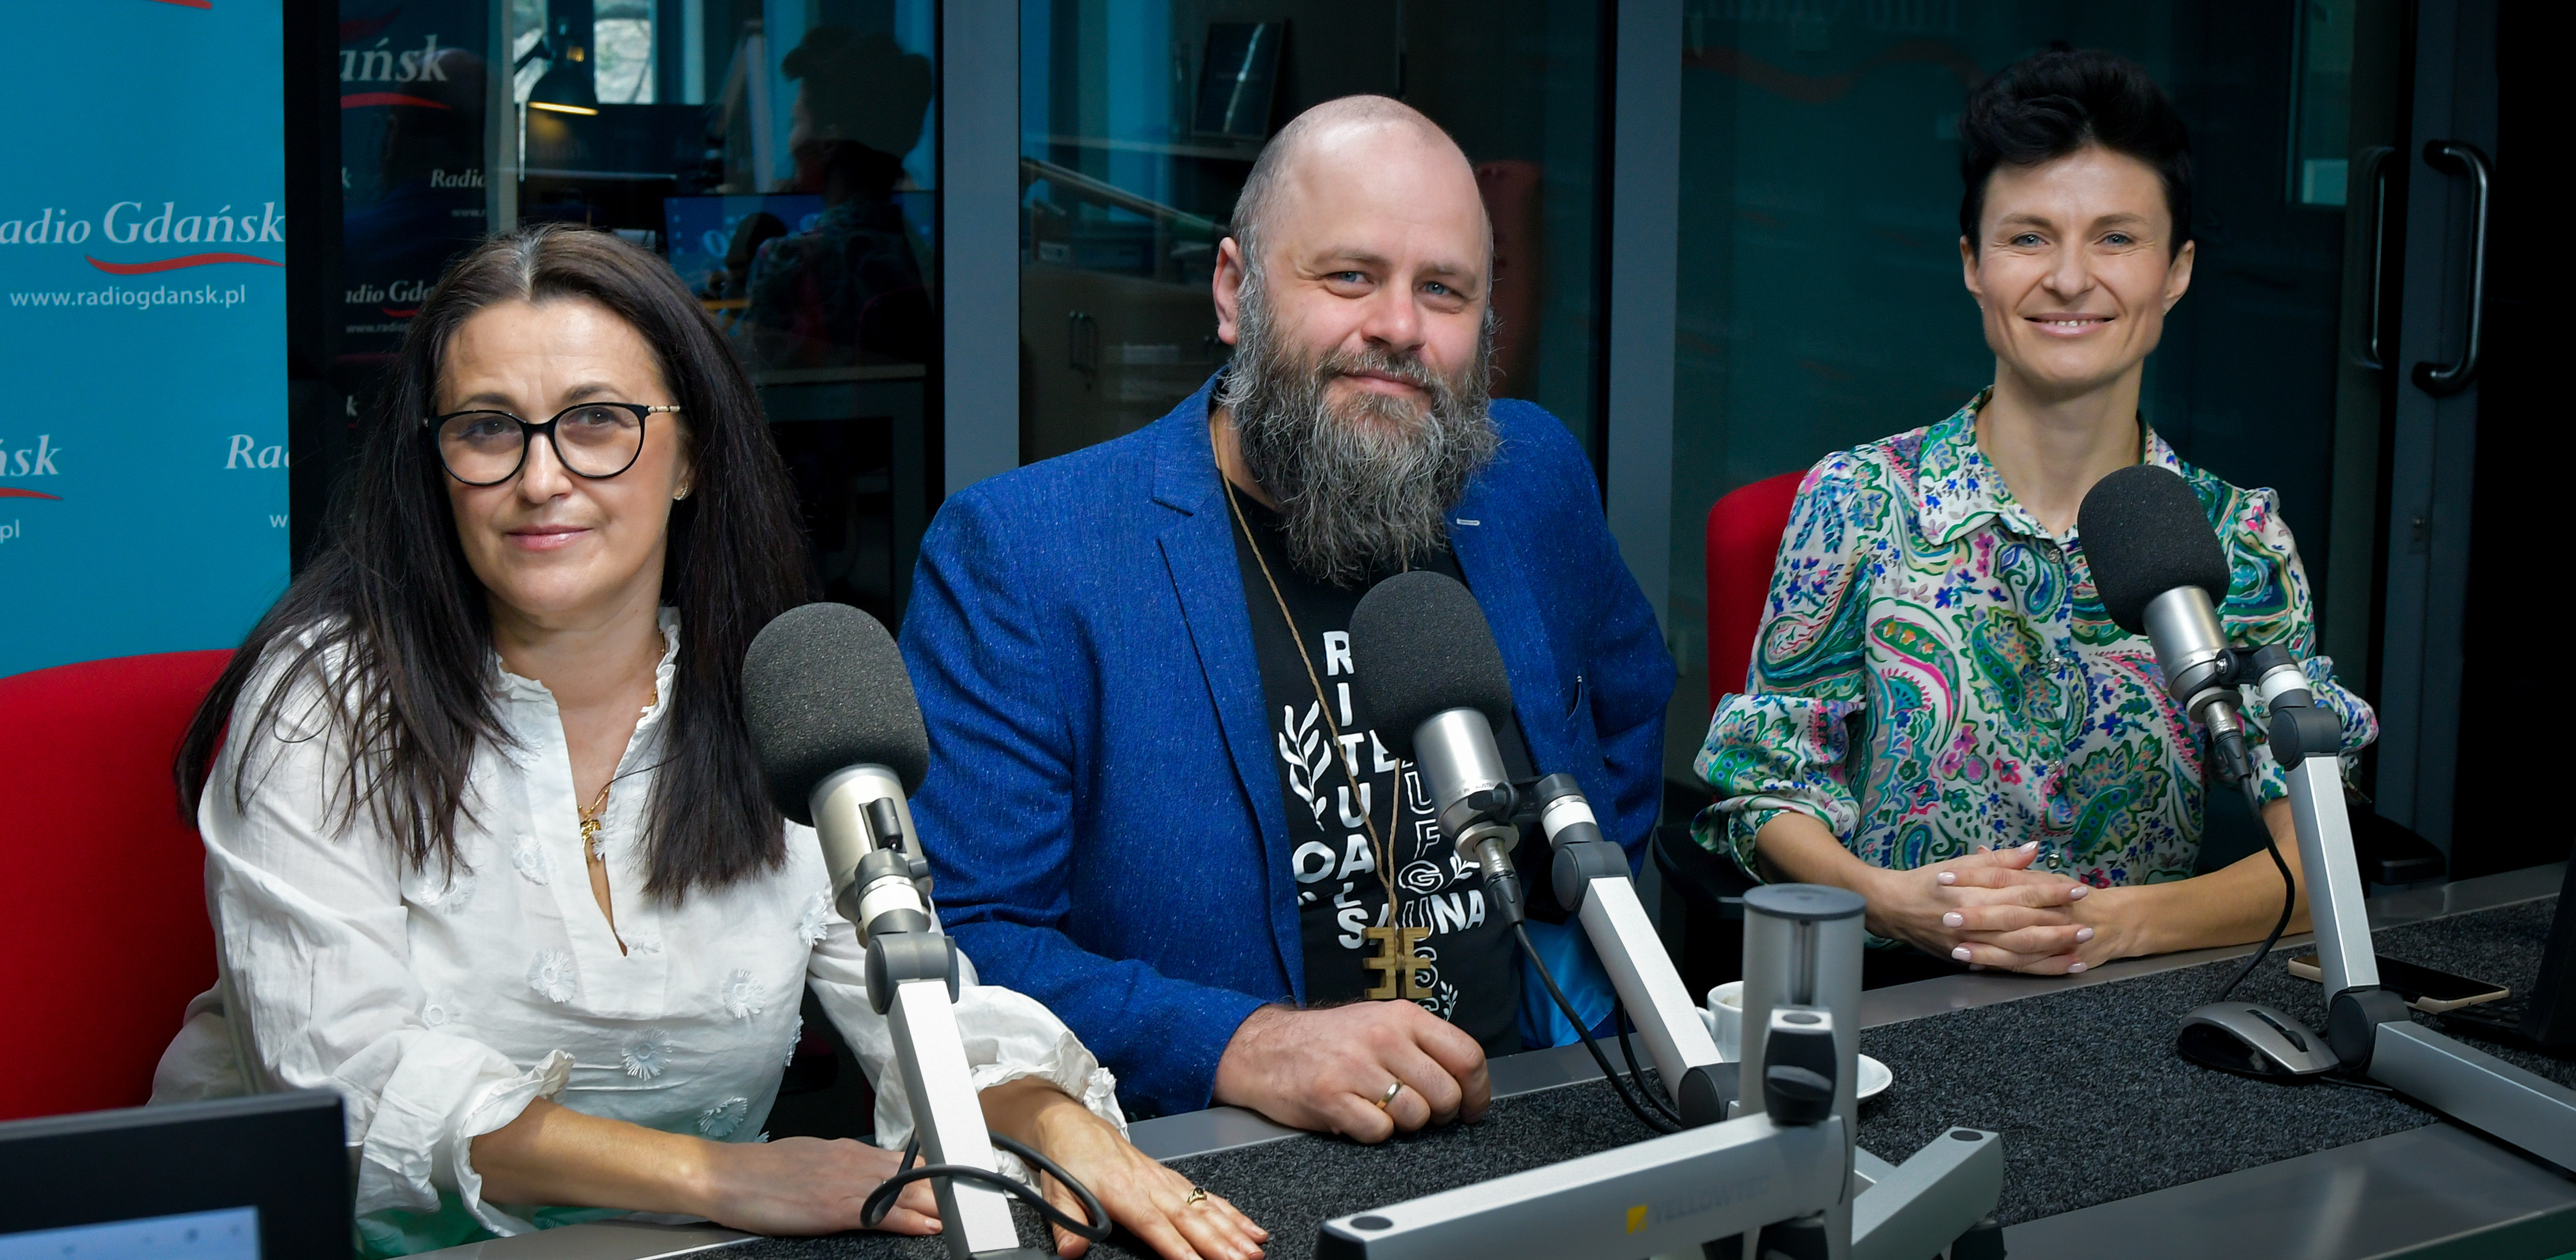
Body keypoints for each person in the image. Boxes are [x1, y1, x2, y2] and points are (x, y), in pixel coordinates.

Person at [150, 226, 1264, 1260]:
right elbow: (349, 1091)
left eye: (597, 420)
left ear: (688, 456)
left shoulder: (777, 706)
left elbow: (921, 1003)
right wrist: (725, 1177)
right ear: (434, 464)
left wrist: (1050, 1121)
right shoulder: (326, 701)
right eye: (488, 428)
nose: (542, 478)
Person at [900, 96, 1674, 1134]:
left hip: (1541, 1108)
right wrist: (1237, 1044)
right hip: (1230, 1164)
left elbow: (1627, 709)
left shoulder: (1531, 479)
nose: (1398, 328)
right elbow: (970, 939)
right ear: (1234, 291)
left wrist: (1575, 966)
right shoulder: (1030, 555)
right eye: (1349, 276)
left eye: (1442, 290)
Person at [1693, 49, 2377, 977]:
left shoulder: (2236, 543)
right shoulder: (1856, 502)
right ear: (1972, 264)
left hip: (2129, 1012)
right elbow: (1763, 787)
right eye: (2026, 238)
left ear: (2176, 271)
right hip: (1894, 997)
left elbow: (2316, 863)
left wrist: (2111, 925)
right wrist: (1891, 902)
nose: (2067, 279)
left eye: (2114, 239)